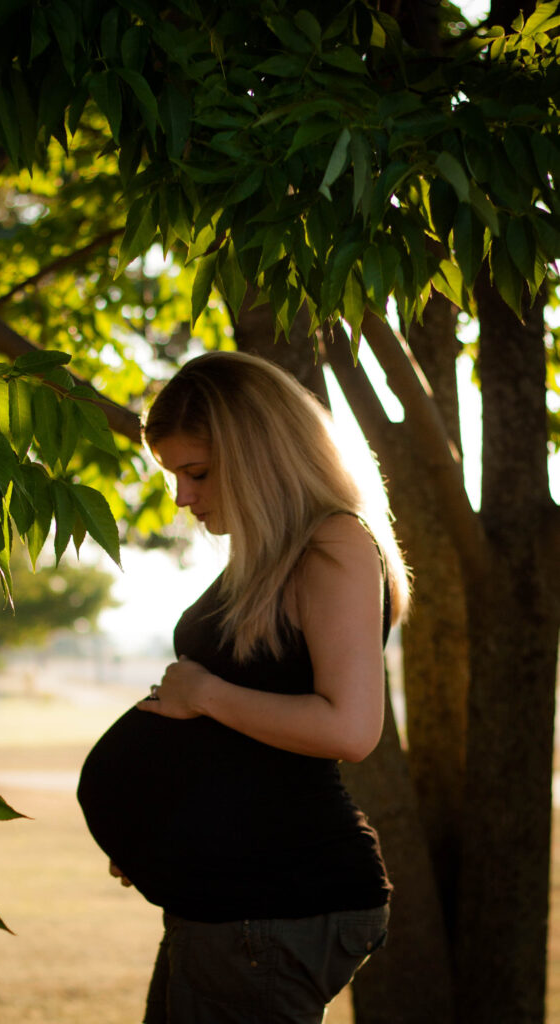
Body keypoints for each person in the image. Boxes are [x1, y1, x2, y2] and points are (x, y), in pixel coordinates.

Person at [77, 350, 410, 1024]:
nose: (181, 497)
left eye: (196, 473)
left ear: (258, 454)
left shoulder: (332, 544)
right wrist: (166, 829)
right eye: (174, 474)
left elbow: (349, 729)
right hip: (232, 900)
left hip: (271, 903)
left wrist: (202, 693)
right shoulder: (268, 556)